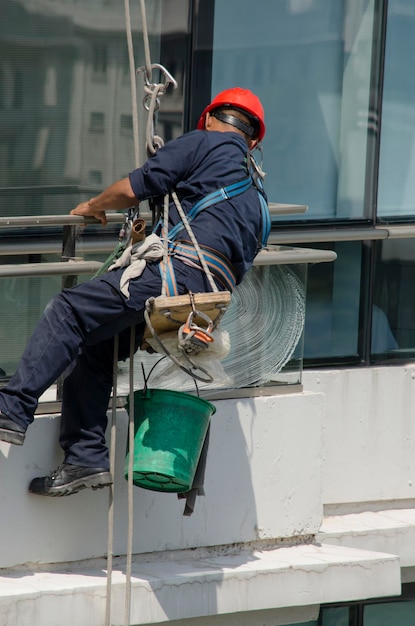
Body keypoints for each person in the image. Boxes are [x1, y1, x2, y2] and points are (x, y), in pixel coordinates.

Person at [0, 87, 269, 497]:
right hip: (201, 302)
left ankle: (12, 408)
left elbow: (134, 188)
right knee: (96, 349)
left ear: (211, 118)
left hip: (173, 279)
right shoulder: (258, 194)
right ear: (252, 140)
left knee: (68, 311)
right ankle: (85, 459)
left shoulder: (204, 143)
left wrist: (94, 204)